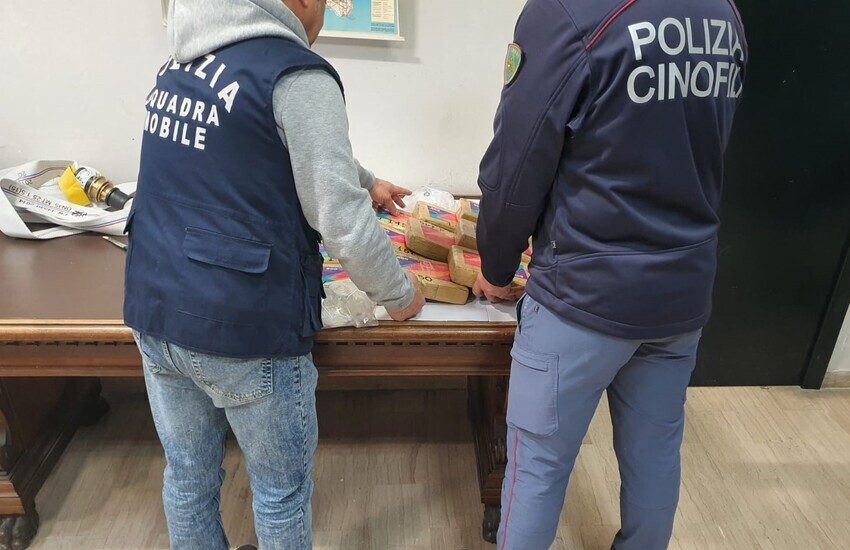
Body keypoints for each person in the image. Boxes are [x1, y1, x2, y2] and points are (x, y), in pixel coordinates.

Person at [123, 0, 425, 548]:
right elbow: (343, 223)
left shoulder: (181, 61)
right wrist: (399, 294)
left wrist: (369, 181)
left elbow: (266, 140)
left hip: (158, 305)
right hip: (245, 325)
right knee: (280, 493)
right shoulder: (297, 73)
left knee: (188, 479)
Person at [473, 0, 747, 548]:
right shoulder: (724, 13)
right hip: (680, 291)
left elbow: (517, 161)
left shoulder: (566, 11)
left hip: (581, 295)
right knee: (655, 459)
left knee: (537, 467)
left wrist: (497, 265)